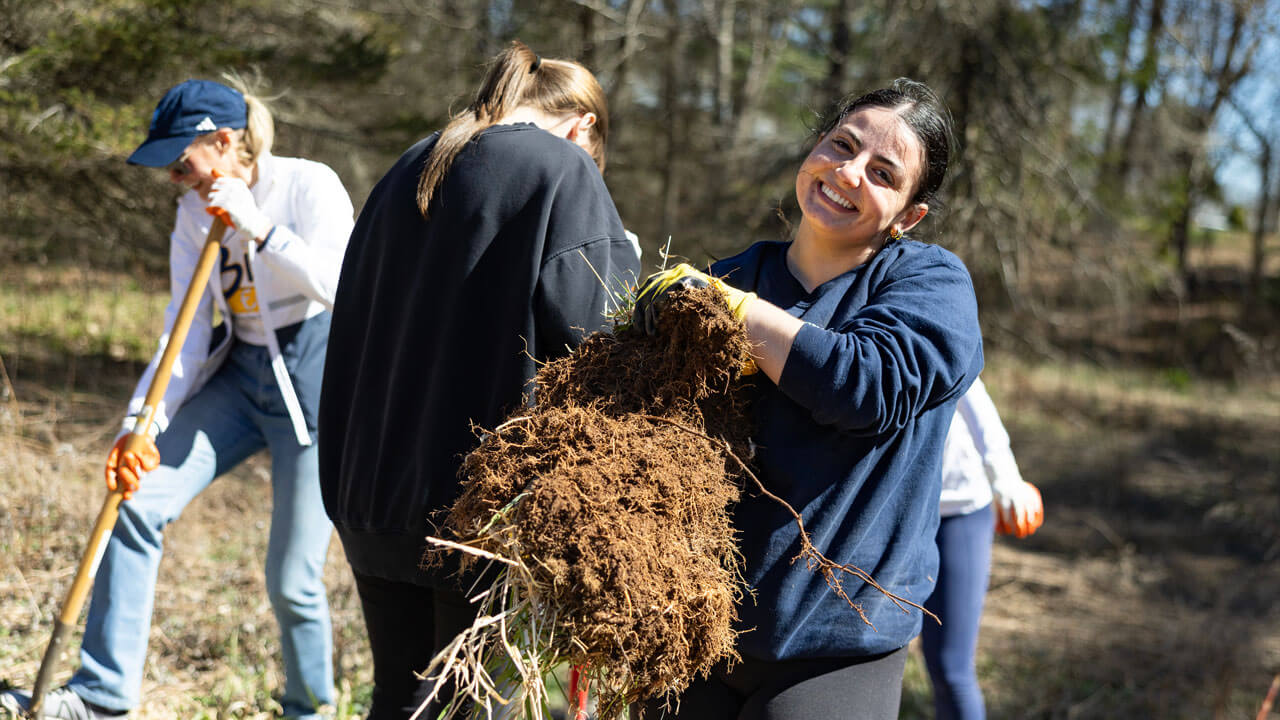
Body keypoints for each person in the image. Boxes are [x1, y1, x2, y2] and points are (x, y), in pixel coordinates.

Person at [629, 78, 983, 719]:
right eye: (840, 145)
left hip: (834, 645)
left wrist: (734, 313)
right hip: (688, 629)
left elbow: (863, 385)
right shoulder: (736, 276)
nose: (847, 174)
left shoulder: (930, 283)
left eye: (882, 172)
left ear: (909, 215)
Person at [1, 78, 353, 720]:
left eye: (180, 162)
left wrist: (258, 226)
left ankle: (311, 708)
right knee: (135, 504)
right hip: (240, 379)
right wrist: (142, 422)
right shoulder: (193, 211)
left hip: (313, 387)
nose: (172, 178)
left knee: (293, 579)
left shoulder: (309, 184)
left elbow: (343, 287)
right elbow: (186, 330)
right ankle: (102, 695)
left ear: (223, 141)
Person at [317, 41, 641, 719]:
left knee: (401, 700)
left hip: (368, 489)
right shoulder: (560, 169)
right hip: (479, 511)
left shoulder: (415, 160)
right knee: (473, 707)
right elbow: (602, 343)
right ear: (582, 126)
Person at [922, 375, 1043, 720]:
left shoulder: (935, 322)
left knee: (951, 667)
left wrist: (1005, 476)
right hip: (896, 514)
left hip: (959, 510)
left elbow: (974, 399)